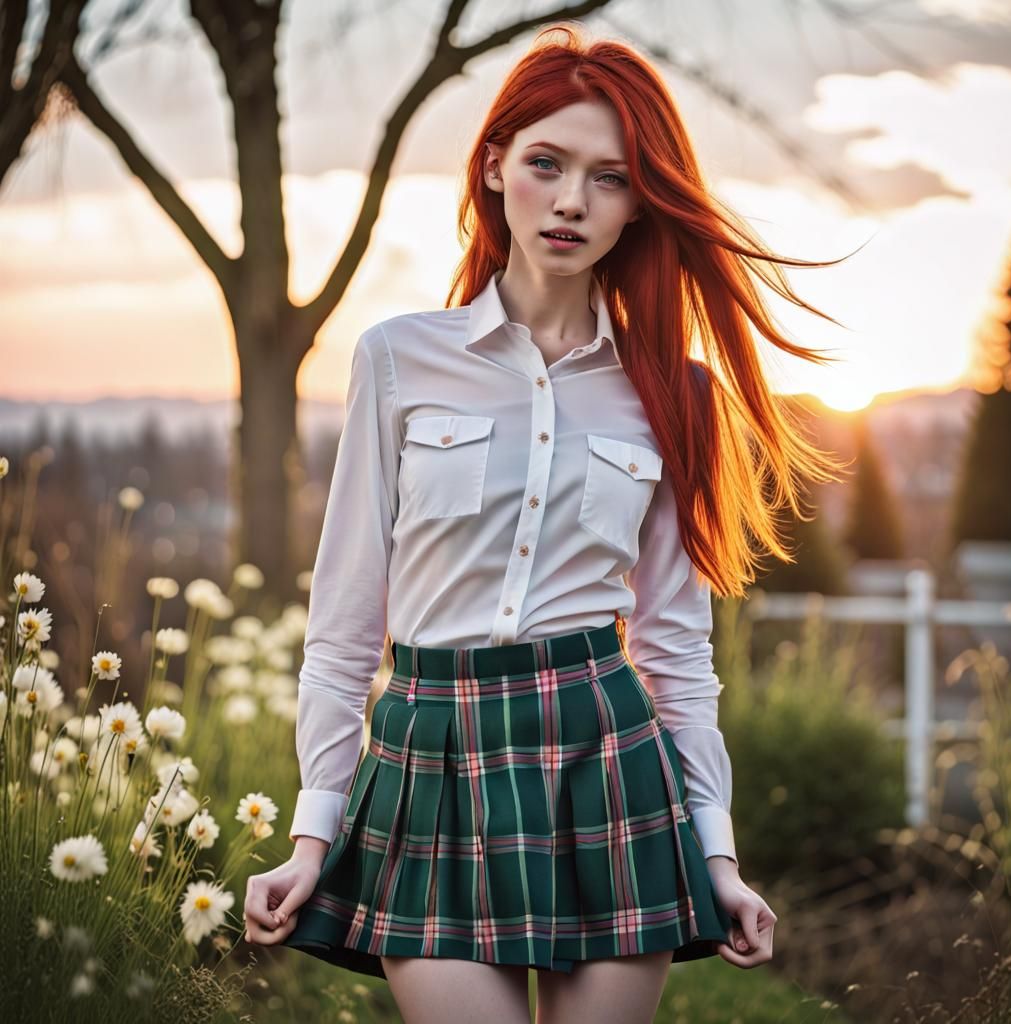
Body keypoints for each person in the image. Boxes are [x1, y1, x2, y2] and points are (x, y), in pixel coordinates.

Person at [244, 24, 848, 1024]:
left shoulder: (676, 394)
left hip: (604, 755)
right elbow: (344, 626)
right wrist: (313, 836)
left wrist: (718, 855)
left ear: (639, 203)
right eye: (546, 164)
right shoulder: (396, 359)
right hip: (430, 753)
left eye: (609, 178)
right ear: (494, 167)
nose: (571, 200)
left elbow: (675, 647)